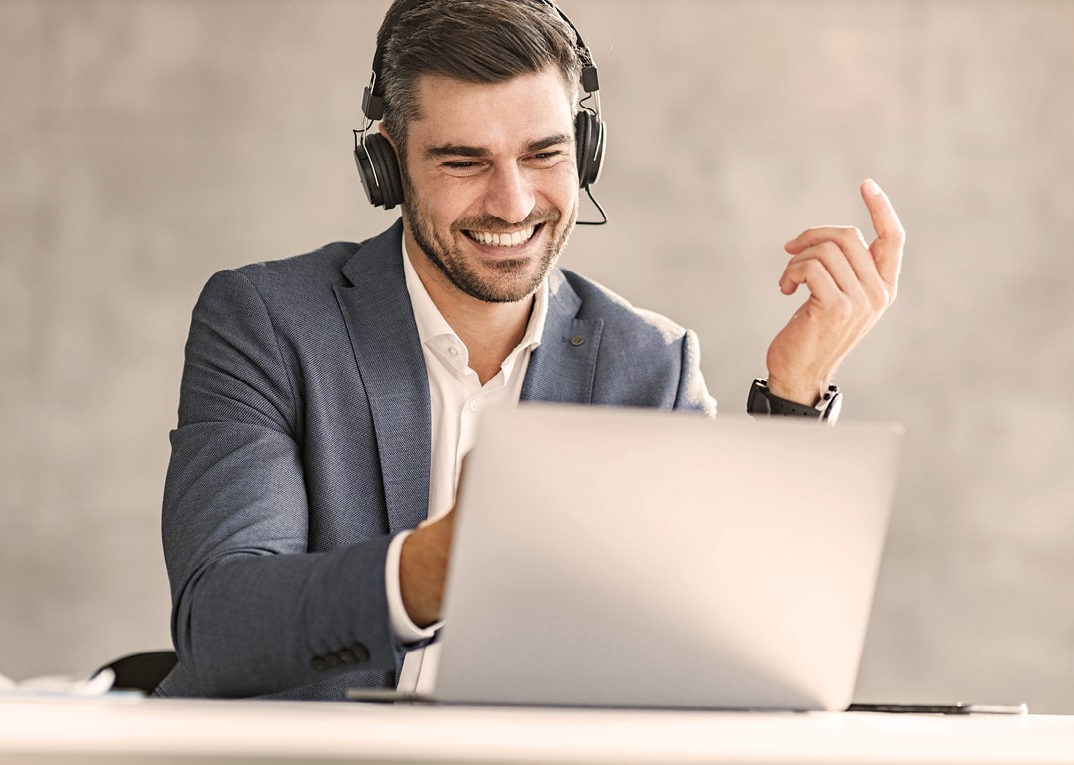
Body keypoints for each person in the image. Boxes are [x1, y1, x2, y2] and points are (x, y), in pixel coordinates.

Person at [154, 0, 904, 700]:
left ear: (586, 150)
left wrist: (797, 391)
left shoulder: (650, 363)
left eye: (544, 154)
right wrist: (440, 564)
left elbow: (731, 647)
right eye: (462, 162)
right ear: (387, 166)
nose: (513, 203)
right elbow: (220, 622)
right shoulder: (267, 322)